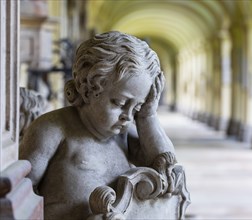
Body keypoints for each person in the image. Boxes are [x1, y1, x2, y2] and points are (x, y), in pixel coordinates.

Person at [19, 31, 175, 220]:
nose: (128, 116)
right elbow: (20, 196)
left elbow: (165, 171)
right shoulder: (52, 129)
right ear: (88, 88)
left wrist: (147, 116)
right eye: (119, 103)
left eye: (137, 107)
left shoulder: (124, 136)